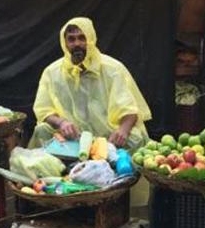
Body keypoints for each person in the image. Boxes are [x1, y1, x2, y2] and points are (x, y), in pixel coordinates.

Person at [29, 17, 151, 150]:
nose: (77, 43)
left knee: (135, 138)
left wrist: (123, 130)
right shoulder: (52, 72)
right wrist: (62, 123)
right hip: (70, 137)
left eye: (82, 38)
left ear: (91, 40)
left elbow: (131, 110)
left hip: (108, 137)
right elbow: (44, 110)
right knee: (42, 130)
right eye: (71, 39)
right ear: (64, 43)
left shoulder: (113, 68)